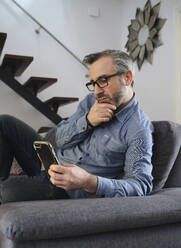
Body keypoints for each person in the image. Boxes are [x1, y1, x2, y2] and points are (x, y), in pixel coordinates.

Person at [0, 50, 153, 203]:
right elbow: (58, 139)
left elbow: (140, 185)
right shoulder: (90, 101)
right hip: (49, 159)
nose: (97, 91)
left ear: (127, 77)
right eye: (93, 83)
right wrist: (87, 121)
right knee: (4, 122)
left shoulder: (139, 129)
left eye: (103, 80)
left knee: (5, 192)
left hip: (66, 188)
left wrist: (89, 181)